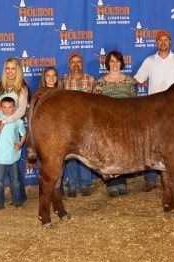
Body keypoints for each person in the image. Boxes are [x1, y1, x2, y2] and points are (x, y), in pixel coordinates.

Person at [134, 29, 174, 192]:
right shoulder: (149, 61)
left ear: (170, 42)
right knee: (151, 143)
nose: (163, 42)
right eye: (160, 40)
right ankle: (150, 179)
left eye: (166, 40)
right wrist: (116, 80)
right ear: (156, 43)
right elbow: (137, 79)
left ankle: (173, 177)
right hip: (154, 110)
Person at [94, 50, 136, 197]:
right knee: (110, 154)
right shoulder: (100, 83)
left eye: (117, 61)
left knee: (123, 154)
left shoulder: (129, 81)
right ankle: (111, 184)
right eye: (112, 61)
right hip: (107, 126)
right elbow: (97, 107)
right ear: (107, 63)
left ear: (121, 63)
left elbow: (134, 103)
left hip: (126, 125)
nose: (115, 64)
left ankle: (122, 182)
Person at [0, 57, 29, 205]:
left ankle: (19, 198)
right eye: (7, 68)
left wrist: (5, 121)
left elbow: (20, 111)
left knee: (14, 167)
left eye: (13, 68)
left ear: (18, 70)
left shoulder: (22, 88)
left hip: (12, 129)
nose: (10, 71)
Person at [59, 52, 94, 197]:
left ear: (82, 64)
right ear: (69, 65)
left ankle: (86, 184)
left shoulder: (91, 80)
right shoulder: (63, 81)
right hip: (69, 125)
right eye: (73, 62)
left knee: (85, 155)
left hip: (87, 125)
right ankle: (72, 185)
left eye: (78, 61)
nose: (76, 65)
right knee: (71, 156)